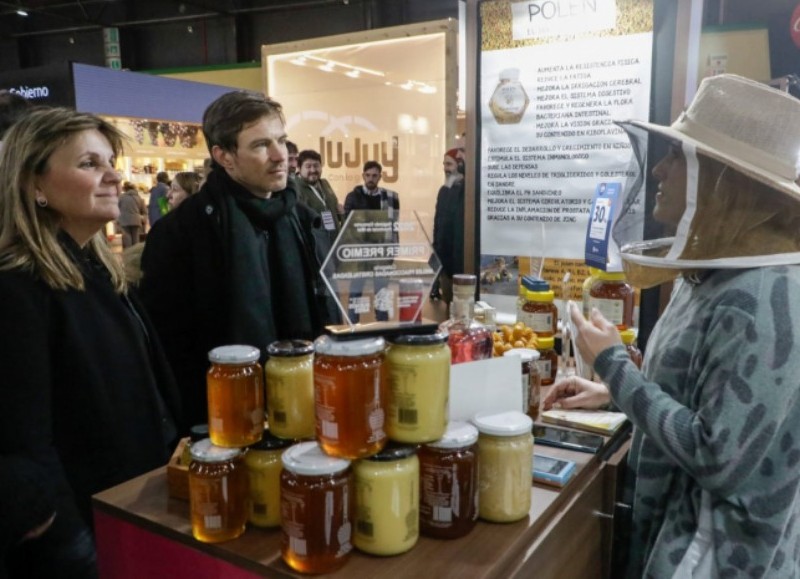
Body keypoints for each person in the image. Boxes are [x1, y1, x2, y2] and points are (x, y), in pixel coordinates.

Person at [544, 74, 800, 577]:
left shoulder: (767, 293)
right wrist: (613, 394)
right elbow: (705, 397)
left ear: (725, 181)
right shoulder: (716, 270)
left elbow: (718, 456)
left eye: (678, 157)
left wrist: (614, 366)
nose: (659, 169)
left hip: (717, 558)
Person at [0, 108, 180, 578]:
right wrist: (61, 533)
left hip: (132, 504)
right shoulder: (17, 289)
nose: (112, 177)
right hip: (81, 529)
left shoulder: (98, 271)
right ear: (34, 185)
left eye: (110, 161)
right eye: (88, 164)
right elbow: (21, 436)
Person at [139, 90, 340, 430]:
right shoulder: (182, 232)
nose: (281, 156)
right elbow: (170, 346)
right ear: (224, 156)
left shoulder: (303, 219)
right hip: (224, 415)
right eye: (261, 145)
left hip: (305, 400)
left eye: (282, 140)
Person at [342, 160, 400, 322]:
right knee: (355, 291)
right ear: (363, 176)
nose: (371, 179)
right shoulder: (354, 197)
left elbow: (394, 225)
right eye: (368, 175)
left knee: (382, 291)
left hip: (381, 252)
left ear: (380, 177)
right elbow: (348, 225)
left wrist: (392, 251)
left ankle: (383, 326)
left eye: (375, 175)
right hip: (360, 252)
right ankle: (352, 327)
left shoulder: (391, 197)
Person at [432, 148, 466, 305]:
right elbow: (438, 223)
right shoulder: (444, 191)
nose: (445, 168)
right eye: (444, 164)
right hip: (445, 261)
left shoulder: (467, 191)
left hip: (460, 261)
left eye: (449, 164)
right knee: (448, 304)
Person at [295, 149, 341, 243]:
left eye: (316, 166)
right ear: (299, 168)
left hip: (334, 240)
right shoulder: (295, 188)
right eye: (308, 166)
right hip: (314, 244)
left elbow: (334, 208)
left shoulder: (325, 183)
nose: (313, 170)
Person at [117, 181, 146, 248]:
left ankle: (129, 255)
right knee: (136, 239)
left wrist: (117, 220)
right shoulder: (139, 197)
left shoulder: (121, 198)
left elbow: (117, 208)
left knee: (127, 239)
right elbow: (144, 211)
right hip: (136, 220)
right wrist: (143, 218)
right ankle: (136, 255)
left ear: (125, 189)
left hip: (125, 220)